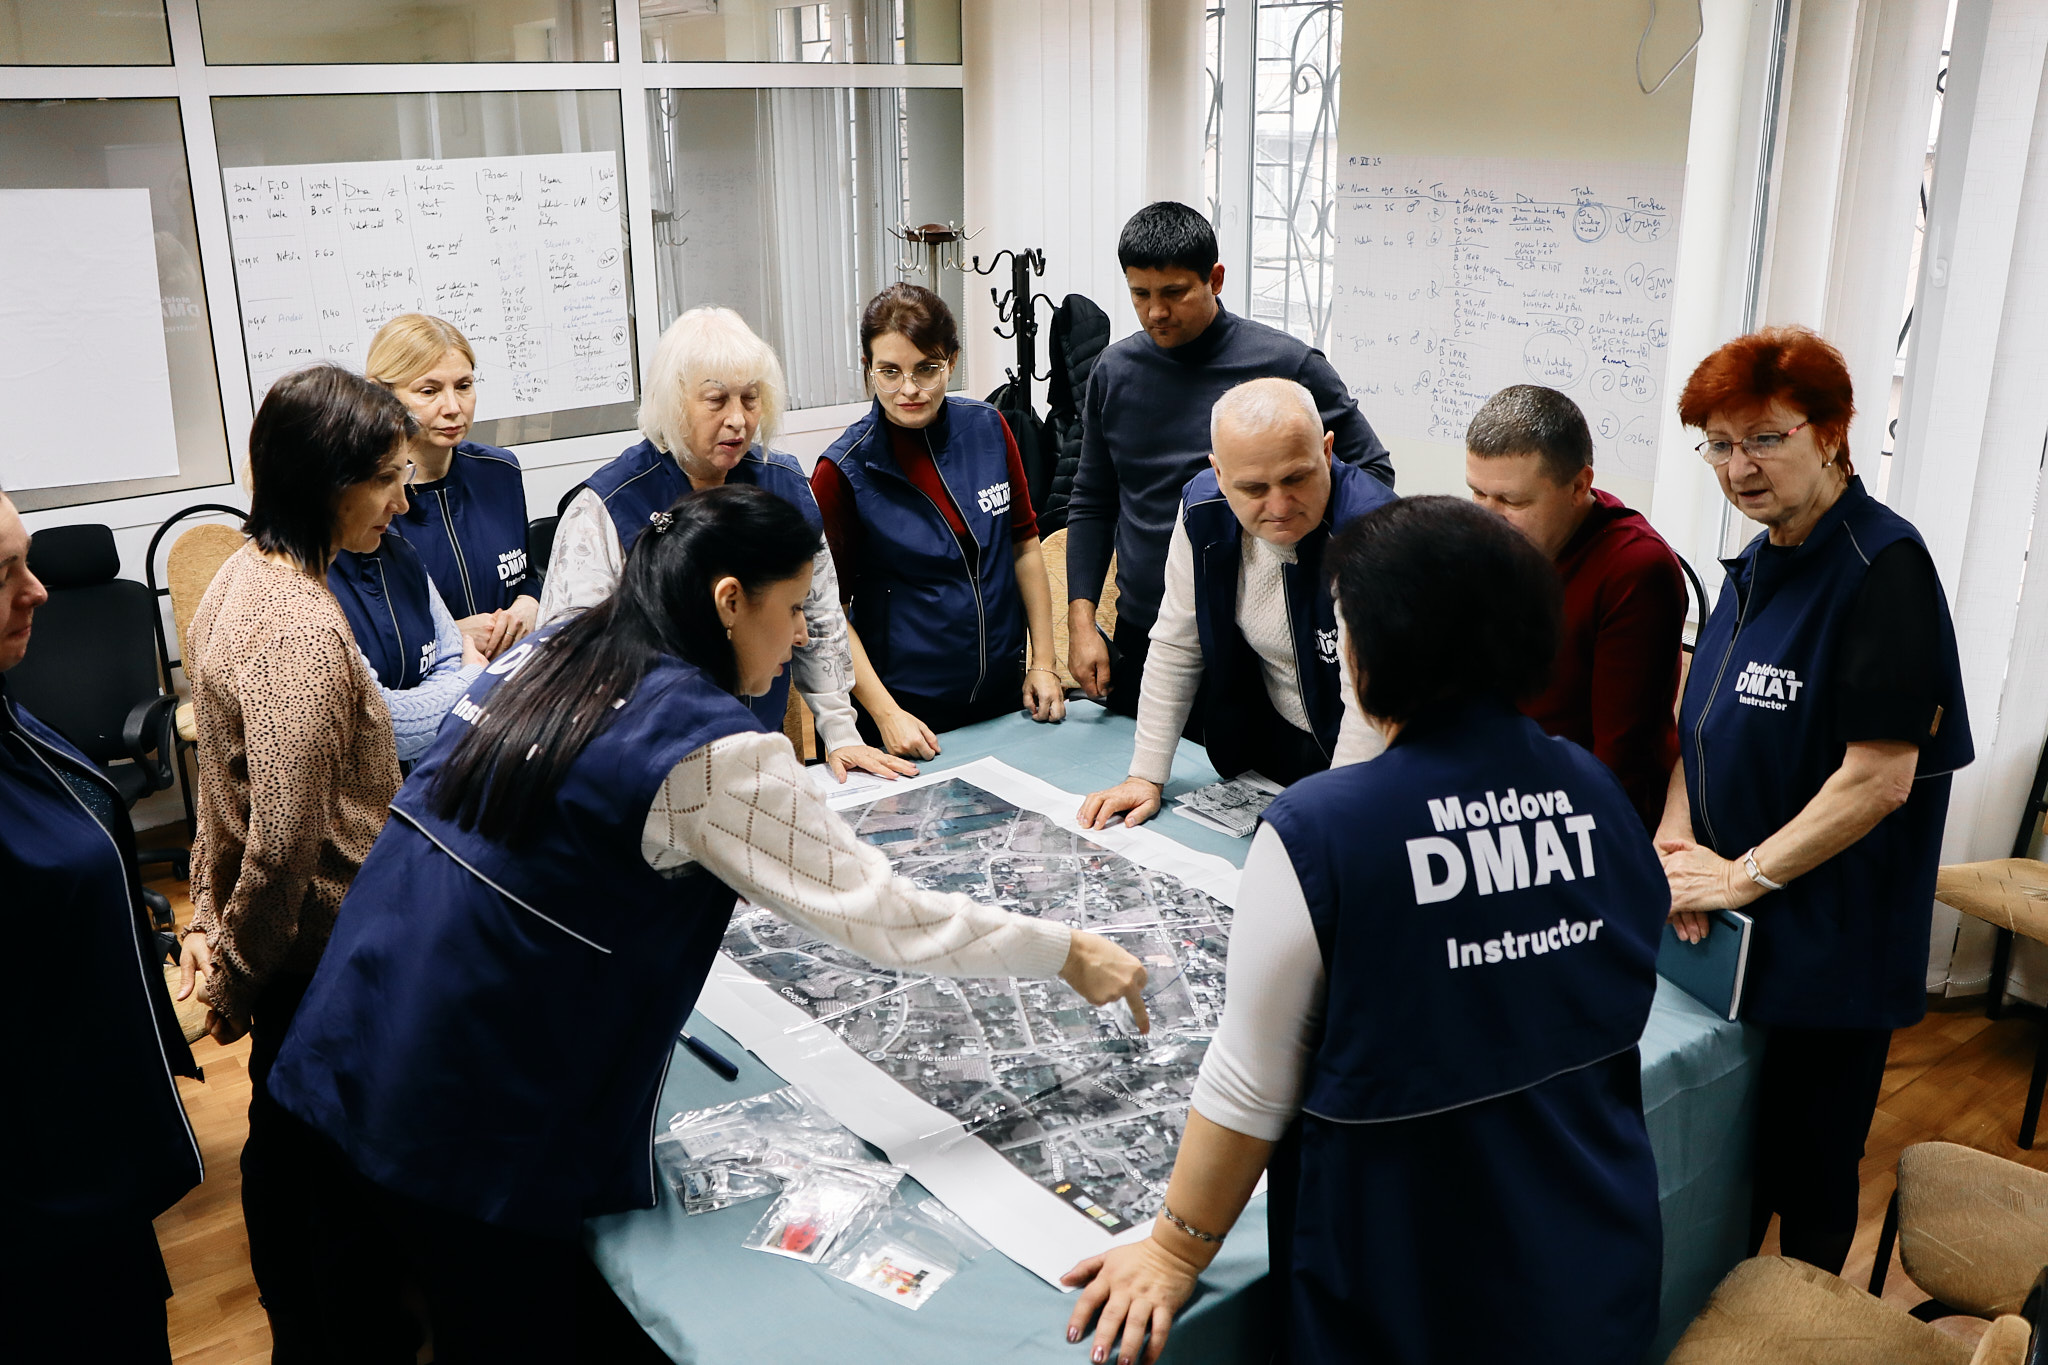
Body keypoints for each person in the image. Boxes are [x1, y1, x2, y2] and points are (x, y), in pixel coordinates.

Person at [266, 486, 1149, 1362]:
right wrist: (1064, 949)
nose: (802, 635)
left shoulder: (550, 649)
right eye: (793, 608)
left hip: (340, 1044)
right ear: (729, 601)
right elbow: (884, 916)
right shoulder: (707, 748)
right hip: (459, 1124)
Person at [1063, 497, 1668, 1365]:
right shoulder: (1593, 786)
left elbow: (1250, 1077)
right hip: (1590, 1250)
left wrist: (1172, 1249)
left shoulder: (1322, 828)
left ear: (1374, 650)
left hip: (1405, 1284)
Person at [1661, 326, 1973, 1275]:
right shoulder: (1759, 562)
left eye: (1765, 437)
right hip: (1730, 931)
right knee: (1727, 1166)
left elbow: (1879, 778)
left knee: (1809, 1176)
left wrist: (1739, 878)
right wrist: (1676, 844)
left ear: (1832, 433)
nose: (1738, 467)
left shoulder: (1885, 569)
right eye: (1719, 443)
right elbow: (1701, 723)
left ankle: (1801, 1324)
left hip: (1829, 943)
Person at [176, 364, 421, 1359]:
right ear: (330, 485)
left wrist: (207, 919)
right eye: (388, 480)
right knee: (335, 1210)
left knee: (287, 1170)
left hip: (300, 959)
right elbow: (278, 843)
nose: (403, 503)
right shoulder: (298, 630)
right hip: (325, 959)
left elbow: (218, 795)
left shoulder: (241, 574)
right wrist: (233, 973)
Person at [1, 486, 201, 1364]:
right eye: (4, 573)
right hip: (39, 1211)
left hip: (89, 1170)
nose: (37, 589)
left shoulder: (8, 711)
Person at [540, 306, 907, 783]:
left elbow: (818, 618)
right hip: (648, 767)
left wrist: (841, 732)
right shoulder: (607, 507)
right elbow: (568, 666)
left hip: (758, 755)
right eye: (716, 400)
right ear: (673, 402)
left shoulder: (784, 485)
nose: (738, 420)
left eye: (751, 399)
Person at [1064, 201, 1394, 717]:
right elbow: (1092, 501)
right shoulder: (1113, 371)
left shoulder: (1287, 364)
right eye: (1140, 294)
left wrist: (1278, 542)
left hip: (1256, 644)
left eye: (1174, 292)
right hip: (1149, 630)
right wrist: (1082, 621)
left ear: (1214, 279)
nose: (1156, 312)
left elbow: (1372, 476)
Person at [1078, 378, 1395, 830]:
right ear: (1220, 474)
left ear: (1326, 452)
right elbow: (1176, 644)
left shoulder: (1373, 534)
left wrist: (1337, 818)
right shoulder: (1202, 510)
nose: (1279, 505)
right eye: (1253, 488)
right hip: (1279, 739)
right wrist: (1145, 775)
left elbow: (1369, 706)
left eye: (1296, 478)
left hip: (1376, 751)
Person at [812, 283, 1065, 757]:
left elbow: (1024, 547)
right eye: (890, 371)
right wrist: (886, 714)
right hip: (907, 715)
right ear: (868, 369)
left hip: (1005, 698)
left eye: (926, 369)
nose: (909, 389)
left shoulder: (989, 428)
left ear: (951, 361)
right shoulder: (842, 471)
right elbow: (829, 614)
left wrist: (1043, 663)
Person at [1465, 384, 1686, 829]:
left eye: (1511, 500)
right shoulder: (1497, 543)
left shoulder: (1634, 570)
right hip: (1491, 794)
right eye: (1478, 494)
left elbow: (1619, 764)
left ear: (1579, 485)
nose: (1487, 517)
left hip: (1574, 817)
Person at [369, 313, 541, 660]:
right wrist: (451, 634)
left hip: (515, 674)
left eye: (463, 386)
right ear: (383, 394)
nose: (452, 408)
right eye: (429, 391)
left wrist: (530, 602)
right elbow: (365, 635)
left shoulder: (500, 471)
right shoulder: (366, 500)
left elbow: (526, 573)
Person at [327, 519, 487, 765]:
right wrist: (472, 682)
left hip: (424, 778)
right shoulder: (302, 585)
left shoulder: (400, 546)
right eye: (381, 486)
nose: (402, 506)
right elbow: (379, 723)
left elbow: (451, 657)